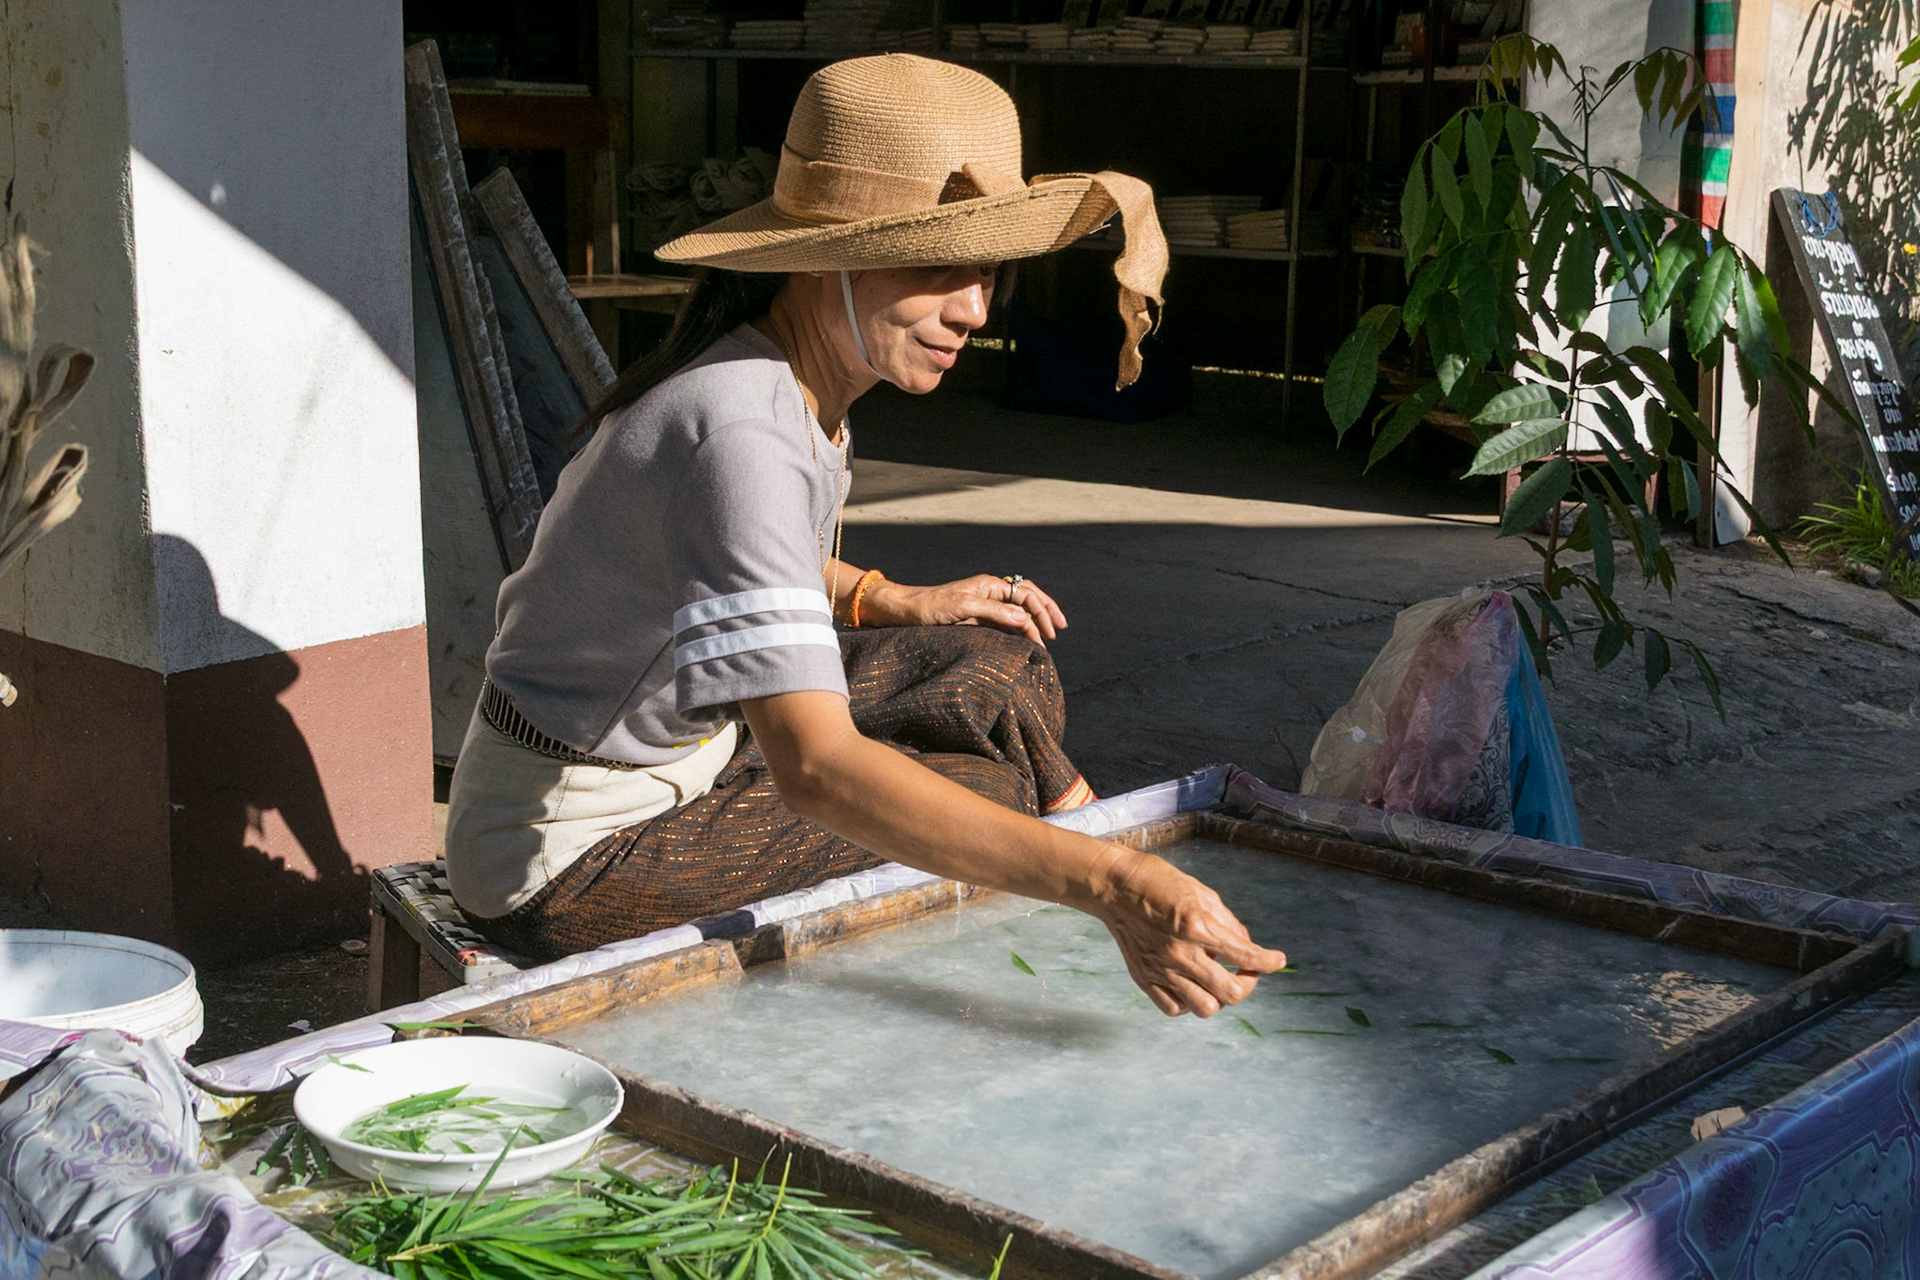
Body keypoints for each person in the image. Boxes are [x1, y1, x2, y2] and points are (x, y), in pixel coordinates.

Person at [445, 54, 1285, 1017]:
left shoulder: (788, 383)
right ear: (827, 255)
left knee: (995, 667)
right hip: (569, 856)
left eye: (984, 271)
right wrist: (1107, 884)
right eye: (936, 267)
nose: (972, 309)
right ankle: (1097, 846)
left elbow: (737, 559)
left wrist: (895, 601)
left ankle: (1081, 823)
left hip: (694, 757)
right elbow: (816, 772)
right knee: (987, 794)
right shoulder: (744, 428)